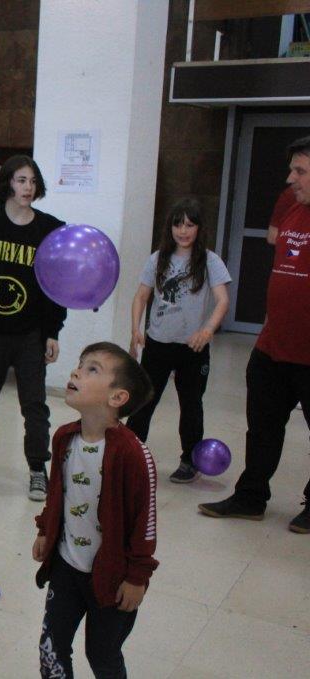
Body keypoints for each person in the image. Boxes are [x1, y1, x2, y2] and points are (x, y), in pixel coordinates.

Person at [199, 136, 310, 534]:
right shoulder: (292, 206)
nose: (290, 178)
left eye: (300, 171)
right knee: (262, 427)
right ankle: (250, 497)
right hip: (272, 346)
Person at [33, 342, 157, 679]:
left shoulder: (133, 455)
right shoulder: (64, 438)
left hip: (113, 577)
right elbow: (57, 493)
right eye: (80, 364)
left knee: (101, 654)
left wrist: (137, 577)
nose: (76, 372)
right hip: (66, 566)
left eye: (92, 369)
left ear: (117, 397)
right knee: (51, 647)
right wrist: (45, 529)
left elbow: (145, 522)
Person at [0, 155, 67, 501]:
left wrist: (53, 331)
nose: (28, 188)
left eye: (32, 181)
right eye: (21, 180)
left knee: (34, 405)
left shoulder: (50, 229)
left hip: (31, 333)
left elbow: (57, 285)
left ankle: (37, 468)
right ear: (7, 183)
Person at [127, 199, 231, 483]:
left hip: (193, 348)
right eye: (178, 224)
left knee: (191, 403)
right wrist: (135, 328)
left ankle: (189, 460)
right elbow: (141, 296)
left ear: (199, 228)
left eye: (189, 225)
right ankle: (130, 454)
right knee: (144, 400)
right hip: (158, 343)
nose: (183, 231)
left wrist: (207, 330)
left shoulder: (210, 261)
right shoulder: (157, 258)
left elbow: (222, 300)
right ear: (170, 227)